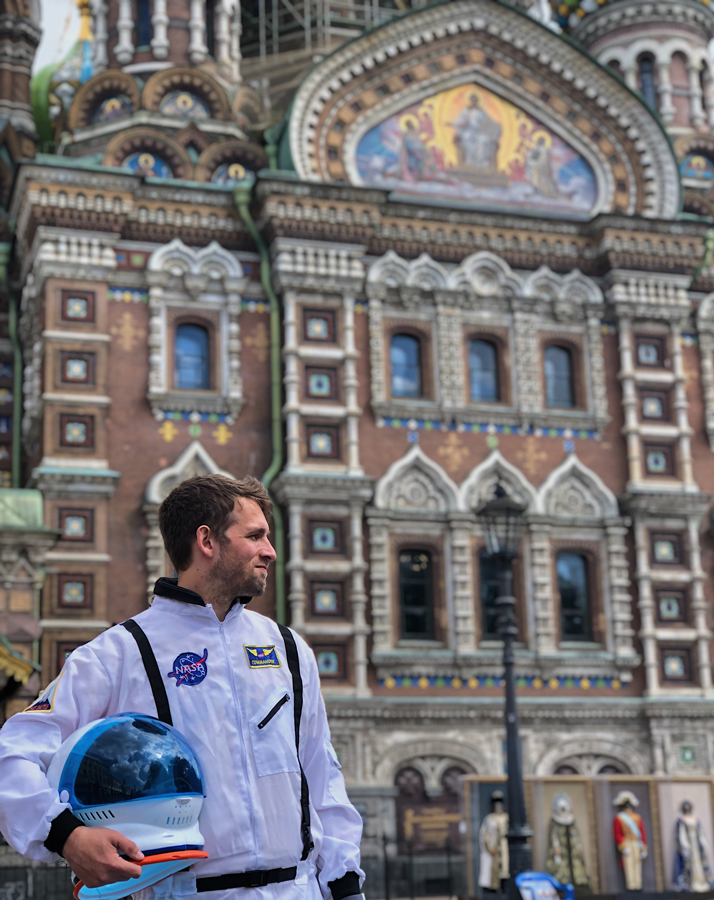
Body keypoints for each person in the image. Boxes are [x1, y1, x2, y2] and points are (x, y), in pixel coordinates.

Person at [0, 474, 364, 900]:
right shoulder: (120, 653)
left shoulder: (287, 648)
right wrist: (66, 836)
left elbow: (322, 776)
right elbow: (12, 753)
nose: (271, 551)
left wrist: (345, 882)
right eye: (255, 535)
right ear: (206, 541)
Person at [545, 792, 590, 891]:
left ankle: (578, 882)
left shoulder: (571, 819)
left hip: (572, 846)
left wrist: (578, 845)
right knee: (561, 865)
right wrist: (556, 846)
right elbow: (554, 835)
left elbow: (575, 833)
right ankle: (562, 882)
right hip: (561, 847)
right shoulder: (555, 820)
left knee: (576, 863)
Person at [673, 800, 714, 892]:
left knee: (701, 864)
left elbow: (700, 833)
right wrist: (686, 847)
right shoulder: (681, 819)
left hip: (696, 844)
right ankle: (691, 884)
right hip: (689, 845)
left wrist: (704, 844)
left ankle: (702, 882)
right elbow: (681, 835)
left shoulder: (695, 818)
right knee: (689, 865)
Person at [613, 791, 647, 892]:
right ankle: (631, 885)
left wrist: (644, 847)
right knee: (629, 864)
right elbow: (617, 833)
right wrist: (623, 846)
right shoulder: (619, 818)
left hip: (636, 843)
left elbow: (642, 833)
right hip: (627, 842)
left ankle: (638, 884)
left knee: (637, 864)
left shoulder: (637, 817)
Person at [479, 790, 509, 892]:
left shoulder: (506, 817)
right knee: (493, 870)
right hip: (494, 849)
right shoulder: (489, 819)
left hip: (504, 847)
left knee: (505, 869)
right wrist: (489, 847)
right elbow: (485, 834)